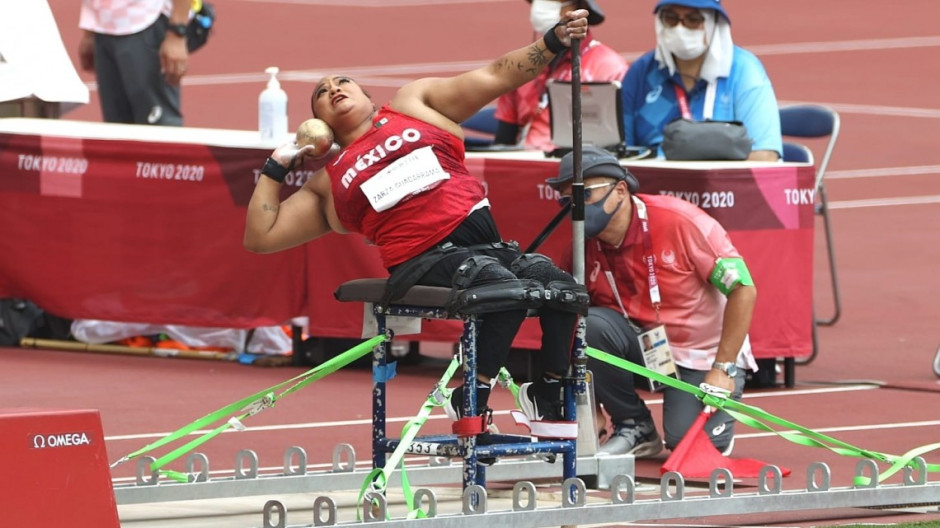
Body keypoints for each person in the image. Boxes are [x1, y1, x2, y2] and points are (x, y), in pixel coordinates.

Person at [243, 11, 594, 438]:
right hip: (423, 261)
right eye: (321, 92)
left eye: (343, 81)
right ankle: (471, 394)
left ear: (370, 98)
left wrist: (552, 42)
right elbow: (260, 237)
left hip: (488, 248)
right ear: (319, 124)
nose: (333, 88)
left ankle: (548, 390)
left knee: (561, 287)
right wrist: (276, 166)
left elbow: (496, 75)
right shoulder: (327, 183)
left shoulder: (414, 105)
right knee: (503, 290)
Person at [547, 145, 758, 455]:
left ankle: (720, 387)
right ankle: (634, 424)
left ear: (620, 190)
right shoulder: (581, 248)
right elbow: (568, 322)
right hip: (643, 348)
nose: (575, 208)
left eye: (584, 195)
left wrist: (723, 367)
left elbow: (743, 288)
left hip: (703, 354)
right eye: (567, 201)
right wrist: (588, 402)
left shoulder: (680, 221)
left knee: (690, 448)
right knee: (587, 325)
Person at [621, 0, 781, 161]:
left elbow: (765, 155)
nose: (679, 28)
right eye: (670, 18)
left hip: (724, 176)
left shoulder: (744, 70)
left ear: (713, 23)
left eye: (693, 20)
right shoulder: (641, 72)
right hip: (650, 175)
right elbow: (619, 150)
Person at [492, 0, 627, 152]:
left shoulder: (609, 68)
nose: (542, 4)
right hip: (523, 159)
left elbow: (619, 143)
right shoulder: (521, 65)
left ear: (579, 7)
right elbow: (503, 140)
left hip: (580, 162)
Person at [78, 0, 190, 125]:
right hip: (104, 28)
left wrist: (177, 32)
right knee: (117, 127)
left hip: (146, 22)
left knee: (158, 126)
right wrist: (89, 31)